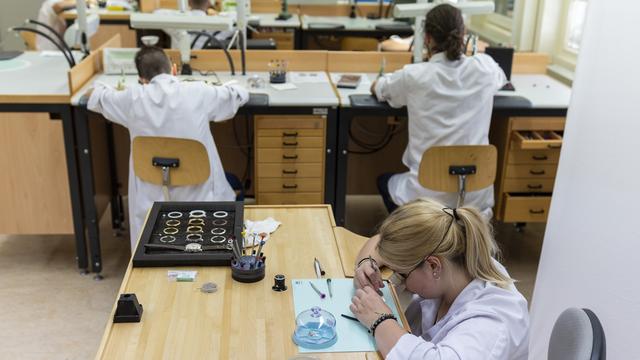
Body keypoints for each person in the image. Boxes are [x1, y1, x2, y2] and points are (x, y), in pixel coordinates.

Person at [87, 46, 249, 249]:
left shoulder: (131, 98)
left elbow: (97, 97)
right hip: (197, 193)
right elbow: (237, 95)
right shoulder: (198, 92)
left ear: (142, 79)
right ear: (173, 69)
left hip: (152, 192)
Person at [371, 4, 507, 217]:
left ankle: (418, 236)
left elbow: (382, 90)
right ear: (464, 35)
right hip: (475, 201)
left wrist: (377, 83)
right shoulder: (485, 68)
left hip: (426, 201)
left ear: (426, 38)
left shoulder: (415, 75)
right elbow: (501, 78)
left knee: (383, 180)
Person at [351, 198, 529, 359]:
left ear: (433, 266)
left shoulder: (491, 325)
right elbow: (380, 239)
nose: (400, 282)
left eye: (403, 275)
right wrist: (367, 263)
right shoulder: (458, 260)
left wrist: (380, 320)